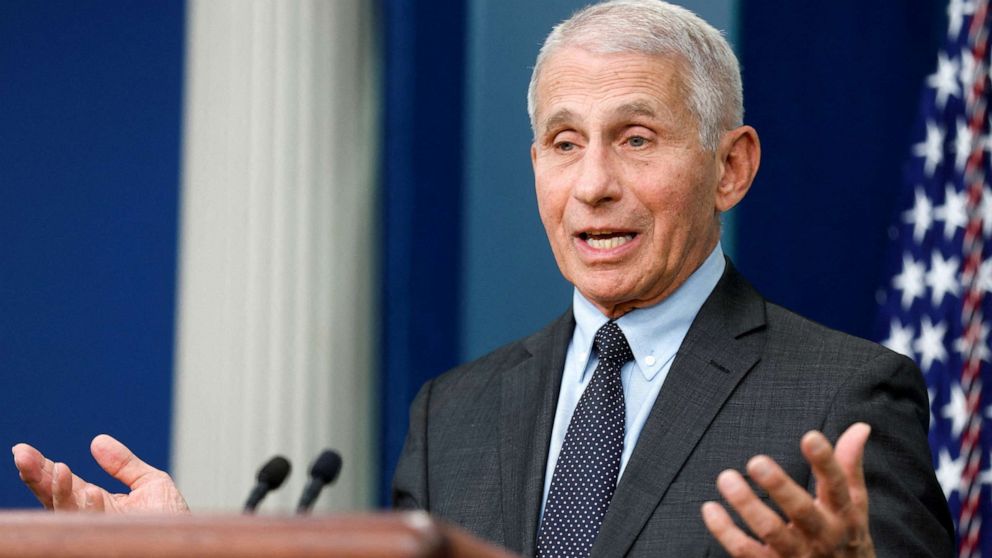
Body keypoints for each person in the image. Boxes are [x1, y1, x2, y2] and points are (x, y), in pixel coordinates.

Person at [12, 1, 953, 557]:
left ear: (731, 167)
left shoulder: (843, 396)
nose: (593, 186)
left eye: (636, 139)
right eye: (563, 143)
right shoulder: (452, 415)